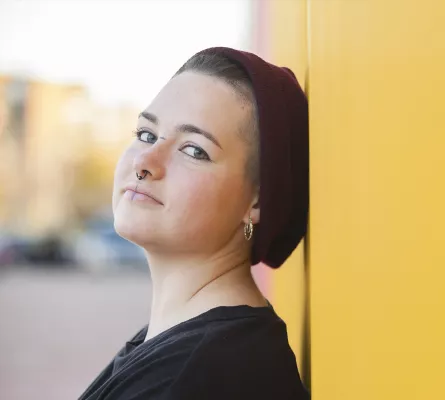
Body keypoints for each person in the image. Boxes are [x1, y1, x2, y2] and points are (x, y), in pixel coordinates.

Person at [78, 47, 309, 399]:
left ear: (258, 199)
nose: (145, 161)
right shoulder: (188, 348)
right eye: (146, 134)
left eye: (194, 150)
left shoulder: (206, 375)